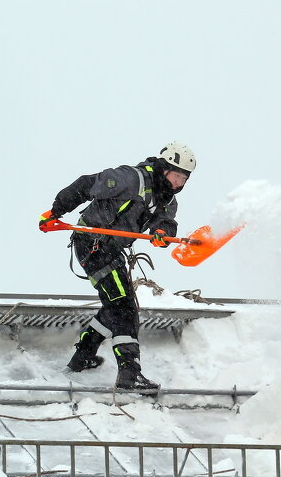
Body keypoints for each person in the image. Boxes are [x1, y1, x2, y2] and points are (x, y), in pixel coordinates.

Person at [39, 141, 196, 394]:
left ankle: (83, 357)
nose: (179, 184)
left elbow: (166, 222)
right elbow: (85, 185)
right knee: (123, 308)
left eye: (184, 180)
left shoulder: (167, 200)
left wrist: (161, 233)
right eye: (177, 176)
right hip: (92, 245)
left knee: (117, 304)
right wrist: (55, 212)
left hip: (113, 251)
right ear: (164, 169)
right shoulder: (129, 179)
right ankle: (129, 373)